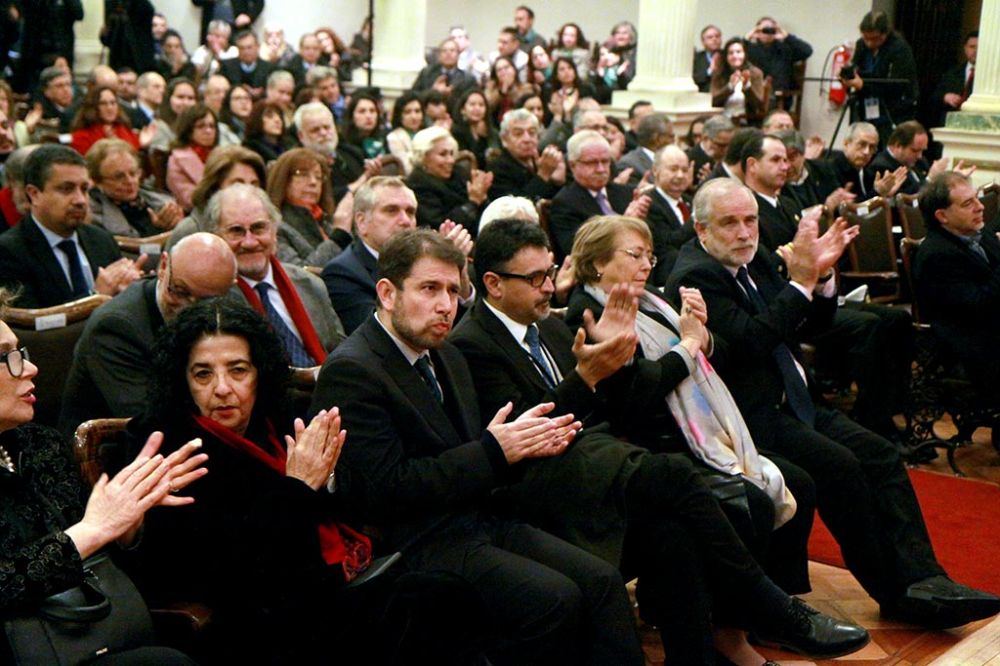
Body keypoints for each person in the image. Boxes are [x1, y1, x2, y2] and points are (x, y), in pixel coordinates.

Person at [453, 216, 871, 664]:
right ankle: (771, 606)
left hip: (595, 461)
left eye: (550, 273)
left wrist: (620, 367)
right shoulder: (474, 344)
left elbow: (612, 407)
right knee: (674, 473)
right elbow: (531, 435)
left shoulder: (550, 328)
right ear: (494, 283)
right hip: (543, 486)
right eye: (535, 278)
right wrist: (592, 376)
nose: (548, 287)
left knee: (674, 535)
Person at [665, 177, 1000, 630]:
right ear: (701, 230)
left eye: (750, 220)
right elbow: (750, 343)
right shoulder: (695, 276)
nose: (745, 232)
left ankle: (925, 579)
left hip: (794, 399)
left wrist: (820, 280)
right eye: (730, 223)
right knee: (841, 467)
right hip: (749, 416)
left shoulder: (753, 258)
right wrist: (800, 284)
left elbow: (811, 327)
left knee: (881, 454)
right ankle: (895, 593)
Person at [310, 228, 646, 666]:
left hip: (479, 520)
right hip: (416, 541)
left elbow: (485, 453)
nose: (445, 304)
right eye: (429, 289)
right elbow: (386, 490)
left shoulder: (446, 354)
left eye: (452, 290)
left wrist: (523, 445)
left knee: (601, 580)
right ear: (388, 293)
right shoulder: (354, 370)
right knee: (554, 598)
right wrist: (496, 451)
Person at [131, 296, 440, 663]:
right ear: (182, 380)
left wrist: (326, 481)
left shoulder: (275, 421)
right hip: (248, 616)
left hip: (317, 587)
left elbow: (341, 506)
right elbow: (232, 569)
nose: (222, 388)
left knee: (441, 592)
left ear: (260, 373)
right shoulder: (164, 442)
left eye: (238, 370)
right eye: (203, 374)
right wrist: (298, 488)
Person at [0, 289, 205, 666]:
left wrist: (126, 521)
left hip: (77, 635)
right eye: (6, 358)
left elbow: (95, 558)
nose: (28, 368)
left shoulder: (38, 442)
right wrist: (93, 529)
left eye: (21, 352)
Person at [58, 233, 237, 436]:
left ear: (229, 289)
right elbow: (152, 424)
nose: (188, 309)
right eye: (179, 291)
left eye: (204, 302)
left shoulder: (230, 303)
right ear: (163, 266)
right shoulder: (116, 328)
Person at [208, 183, 345, 366]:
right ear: (217, 236)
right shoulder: (215, 297)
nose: (249, 242)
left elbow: (342, 350)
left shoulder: (311, 284)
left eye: (258, 228)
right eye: (236, 231)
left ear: (274, 232)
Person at [0, 145, 144, 308]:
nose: (80, 200)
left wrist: (136, 288)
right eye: (66, 189)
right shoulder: (9, 251)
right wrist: (94, 297)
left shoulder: (101, 240)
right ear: (34, 194)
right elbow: (29, 327)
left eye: (84, 189)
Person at [913, 171, 1000, 405]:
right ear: (942, 215)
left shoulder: (980, 235)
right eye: (968, 203)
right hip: (973, 347)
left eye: (977, 199)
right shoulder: (937, 255)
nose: (980, 207)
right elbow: (979, 306)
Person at [321, 177, 417, 335]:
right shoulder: (342, 273)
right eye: (391, 210)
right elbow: (381, 336)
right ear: (362, 222)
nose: (406, 221)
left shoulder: (422, 264)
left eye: (410, 212)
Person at [548, 130, 647, 262]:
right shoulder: (564, 203)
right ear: (572, 165)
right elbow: (577, 251)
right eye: (592, 163)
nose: (601, 169)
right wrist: (624, 223)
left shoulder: (627, 193)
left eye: (605, 161)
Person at [165, 144, 265, 249]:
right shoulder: (190, 231)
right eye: (238, 185)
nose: (248, 192)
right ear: (214, 188)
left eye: (254, 185)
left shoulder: (266, 227)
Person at [841, 11, 919, 146]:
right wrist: (847, 76)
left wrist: (863, 85)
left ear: (885, 34)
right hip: (865, 106)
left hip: (891, 109)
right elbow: (856, 68)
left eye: (875, 39)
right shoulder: (861, 45)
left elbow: (896, 85)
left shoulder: (899, 49)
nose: (869, 43)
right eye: (866, 38)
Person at [267, 148, 351, 267]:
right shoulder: (275, 227)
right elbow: (300, 275)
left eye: (318, 176)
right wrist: (338, 237)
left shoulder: (326, 220)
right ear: (283, 179)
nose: (313, 182)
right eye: (303, 174)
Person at [87, 138, 182, 237]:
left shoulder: (162, 203)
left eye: (133, 173)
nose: (130, 181)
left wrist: (177, 227)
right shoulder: (92, 215)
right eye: (119, 176)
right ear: (97, 181)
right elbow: (129, 249)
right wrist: (159, 232)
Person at [405, 126, 492, 233]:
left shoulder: (459, 173)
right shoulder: (417, 185)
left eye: (451, 153)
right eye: (443, 154)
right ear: (423, 157)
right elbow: (441, 228)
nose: (450, 160)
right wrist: (473, 202)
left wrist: (482, 198)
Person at [866, 121, 973, 196]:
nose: (919, 156)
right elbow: (906, 201)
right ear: (898, 145)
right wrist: (930, 179)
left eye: (922, 151)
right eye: (915, 150)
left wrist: (951, 178)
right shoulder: (881, 166)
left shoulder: (920, 162)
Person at [486, 108, 565, 202]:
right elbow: (515, 208)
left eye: (532, 133)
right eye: (518, 134)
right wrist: (543, 175)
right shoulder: (497, 168)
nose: (527, 139)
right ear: (504, 140)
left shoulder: (544, 160)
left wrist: (558, 183)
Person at [646, 145, 696, 284]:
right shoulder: (649, 203)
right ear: (656, 171)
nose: (680, 175)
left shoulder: (690, 201)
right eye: (673, 169)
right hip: (669, 276)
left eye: (685, 170)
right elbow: (668, 243)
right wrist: (697, 218)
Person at [822, 121, 907, 200]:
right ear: (846, 144)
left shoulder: (868, 172)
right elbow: (849, 210)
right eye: (862, 144)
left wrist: (885, 196)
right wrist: (877, 193)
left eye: (872, 147)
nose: (867, 152)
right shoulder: (830, 170)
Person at [70, 86, 156, 157]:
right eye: (103, 103)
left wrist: (141, 144)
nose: (110, 108)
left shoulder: (123, 130)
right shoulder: (81, 136)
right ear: (93, 107)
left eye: (113, 103)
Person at [167, 105, 219, 212]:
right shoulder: (177, 159)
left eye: (212, 126)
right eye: (201, 126)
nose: (208, 131)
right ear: (188, 130)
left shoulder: (221, 155)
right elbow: (190, 201)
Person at [745, 17, 812, 95]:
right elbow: (735, 56)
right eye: (765, 30)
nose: (768, 33)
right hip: (754, 95)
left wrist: (787, 36)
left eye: (771, 30)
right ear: (757, 32)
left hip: (778, 96)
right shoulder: (751, 49)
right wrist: (748, 36)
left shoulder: (784, 49)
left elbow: (807, 51)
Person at [711, 38, 765, 124]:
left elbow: (758, 104)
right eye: (731, 53)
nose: (735, 56)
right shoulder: (719, 73)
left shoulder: (755, 73)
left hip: (746, 121)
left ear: (745, 54)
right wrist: (730, 87)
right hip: (722, 120)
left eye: (738, 52)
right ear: (726, 56)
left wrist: (747, 86)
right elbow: (713, 102)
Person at [616, 112, 674, 187]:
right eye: (671, 136)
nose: (673, 141)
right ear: (658, 139)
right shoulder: (629, 165)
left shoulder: (669, 160)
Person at [101, 0, 156, 74]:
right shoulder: (112, 4)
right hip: (117, 55)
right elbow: (107, 37)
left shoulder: (143, 6)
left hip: (138, 56)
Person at [450, 89, 500, 169]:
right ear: (463, 110)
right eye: (472, 104)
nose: (477, 108)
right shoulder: (456, 131)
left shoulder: (492, 132)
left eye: (481, 105)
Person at [934, 31, 977, 124]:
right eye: (972, 47)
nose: (975, 51)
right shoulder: (953, 72)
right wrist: (945, 97)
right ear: (965, 48)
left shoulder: (990, 75)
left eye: (979, 47)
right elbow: (935, 95)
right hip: (951, 122)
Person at [411, 37, 476, 98]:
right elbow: (413, 96)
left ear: (458, 55)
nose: (448, 53)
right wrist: (432, 92)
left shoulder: (467, 78)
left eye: (452, 50)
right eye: (444, 51)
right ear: (439, 55)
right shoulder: (426, 73)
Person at [219, 30, 274, 98]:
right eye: (242, 48)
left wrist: (262, 92)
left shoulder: (269, 68)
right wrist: (240, 88)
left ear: (258, 47)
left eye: (249, 47)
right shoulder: (227, 67)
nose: (246, 52)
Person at [147, 77, 197, 152]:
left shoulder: (201, 126)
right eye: (180, 97)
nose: (186, 103)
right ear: (168, 99)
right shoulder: (158, 127)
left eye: (190, 98)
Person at [485, 56, 534, 126]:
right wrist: (501, 92)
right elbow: (488, 107)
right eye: (499, 70)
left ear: (514, 69)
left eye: (506, 68)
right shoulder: (491, 88)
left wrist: (512, 89)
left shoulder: (526, 88)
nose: (503, 72)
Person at [687, 114, 735, 185]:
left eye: (730, 145)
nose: (727, 150)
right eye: (721, 145)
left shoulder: (733, 157)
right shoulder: (690, 161)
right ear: (706, 139)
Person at [386, 92, 424, 176]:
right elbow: (407, 170)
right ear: (399, 115)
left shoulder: (428, 133)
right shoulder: (394, 138)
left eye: (417, 111)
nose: (414, 117)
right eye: (407, 112)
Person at [192, 0, 263, 44]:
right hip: (212, 29)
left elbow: (259, 2)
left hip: (237, 29)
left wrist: (249, 17)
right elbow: (196, 1)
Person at [341, 92, 387, 160]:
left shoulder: (385, 140)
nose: (368, 116)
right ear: (352, 116)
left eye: (372, 111)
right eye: (362, 111)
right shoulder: (345, 146)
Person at [693, 25, 722, 93]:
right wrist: (710, 71)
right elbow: (694, 79)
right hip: (702, 97)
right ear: (703, 41)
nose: (714, 39)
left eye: (717, 36)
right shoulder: (696, 58)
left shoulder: (728, 56)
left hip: (723, 98)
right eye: (710, 37)